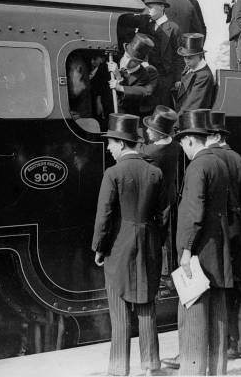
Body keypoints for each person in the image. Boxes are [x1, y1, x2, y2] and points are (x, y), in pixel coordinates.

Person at [92, 113, 168, 376]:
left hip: (118, 248)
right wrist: (157, 240)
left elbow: (104, 216)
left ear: (122, 143)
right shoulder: (155, 172)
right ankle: (151, 366)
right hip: (148, 245)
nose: (109, 149)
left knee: (119, 311)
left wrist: (99, 248)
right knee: (147, 307)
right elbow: (164, 213)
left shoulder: (113, 173)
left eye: (111, 144)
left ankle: (118, 369)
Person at [173, 109, 233, 375]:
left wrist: (186, 250)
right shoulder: (220, 162)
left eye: (182, 143)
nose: (183, 149)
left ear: (189, 139)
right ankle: (217, 371)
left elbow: (193, 212)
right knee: (219, 313)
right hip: (219, 247)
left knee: (195, 314)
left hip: (199, 251)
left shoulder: (197, 166)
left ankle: (193, 372)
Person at [207, 111, 241, 360]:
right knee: (238, 286)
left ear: (215, 135)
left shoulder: (208, 159)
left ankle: (228, 343)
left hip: (218, 232)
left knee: (219, 286)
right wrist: (237, 215)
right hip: (237, 229)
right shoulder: (237, 158)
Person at [140, 105, 183, 277]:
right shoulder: (175, 145)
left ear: (160, 133)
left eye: (151, 130)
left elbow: (137, 152)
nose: (147, 132)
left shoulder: (152, 151)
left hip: (156, 202)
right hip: (169, 197)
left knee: (156, 239)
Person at [124, 0, 183, 107]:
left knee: (162, 105)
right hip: (147, 74)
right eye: (147, 7)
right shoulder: (146, 24)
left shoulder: (173, 28)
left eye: (151, 7)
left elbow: (178, 56)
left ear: (162, 7)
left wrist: (177, 78)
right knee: (146, 105)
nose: (148, 10)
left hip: (165, 77)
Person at [106, 34, 159, 118]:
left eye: (133, 61)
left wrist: (119, 78)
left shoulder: (144, 76)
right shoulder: (112, 59)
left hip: (122, 117)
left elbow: (125, 102)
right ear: (124, 51)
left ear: (140, 62)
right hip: (106, 109)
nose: (127, 62)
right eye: (127, 56)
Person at [173, 33, 215, 113]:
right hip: (181, 112)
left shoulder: (204, 76)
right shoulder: (191, 66)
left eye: (190, 58)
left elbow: (192, 105)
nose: (186, 61)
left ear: (200, 55)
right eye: (185, 57)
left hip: (192, 119)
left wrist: (176, 124)